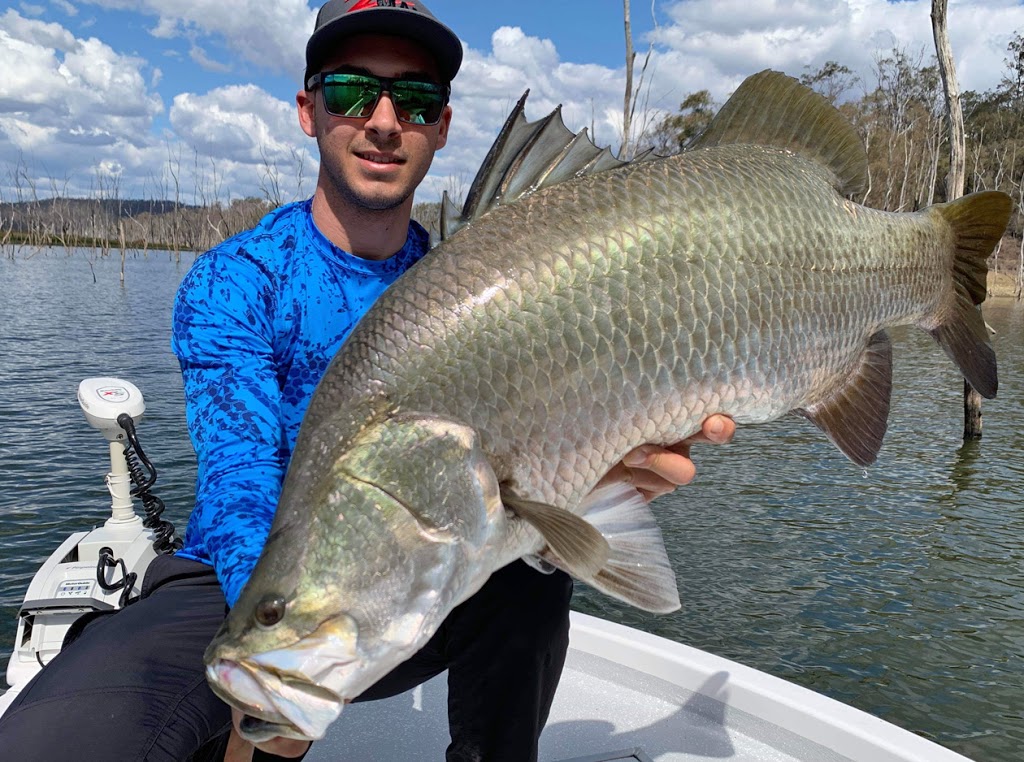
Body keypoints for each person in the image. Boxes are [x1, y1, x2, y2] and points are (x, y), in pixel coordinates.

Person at [0, 2, 735, 760]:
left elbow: (542, 486)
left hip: (435, 573)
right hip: (251, 578)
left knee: (534, 579)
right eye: (353, 91)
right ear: (308, 110)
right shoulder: (237, 280)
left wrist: (592, 480)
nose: (384, 119)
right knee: (55, 739)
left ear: (442, 126)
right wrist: (304, 649)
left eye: (414, 99)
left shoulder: (501, 286)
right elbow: (240, 479)